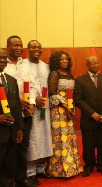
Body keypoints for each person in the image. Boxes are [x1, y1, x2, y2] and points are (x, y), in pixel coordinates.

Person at [5, 35, 37, 187]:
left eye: (20, 45)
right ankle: (7, 179)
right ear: (7, 47)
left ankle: (21, 177)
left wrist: (31, 102)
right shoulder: (2, 64)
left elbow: (32, 85)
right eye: (15, 45)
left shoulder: (25, 65)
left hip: (25, 112)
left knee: (23, 145)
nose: (19, 48)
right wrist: (18, 101)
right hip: (8, 112)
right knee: (9, 146)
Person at [74, 56, 102, 177]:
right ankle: (89, 166)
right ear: (87, 65)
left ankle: (101, 165)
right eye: (93, 63)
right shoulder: (80, 81)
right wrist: (92, 113)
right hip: (88, 119)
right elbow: (79, 100)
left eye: (97, 63)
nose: (96, 65)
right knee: (88, 145)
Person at [47, 51, 83, 178]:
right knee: (59, 136)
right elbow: (52, 93)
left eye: (66, 59)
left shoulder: (69, 74)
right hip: (58, 109)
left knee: (69, 136)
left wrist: (71, 107)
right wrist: (65, 106)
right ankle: (59, 169)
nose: (64, 61)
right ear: (57, 61)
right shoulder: (54, 74)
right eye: (61, 59)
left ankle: (72, 166)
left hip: (69, 108)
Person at [23, 40, 53, 185]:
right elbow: (24, 86)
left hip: (45, 107)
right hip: (30, 108)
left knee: (45, 137)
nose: (36, 49)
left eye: (39, 47)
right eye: (33, 47)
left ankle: (41, 168)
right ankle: (30, 171)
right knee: (33, 139)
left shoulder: (45, 66)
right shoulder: (23, 65)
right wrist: (34, 100)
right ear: (28, 49)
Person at [0, 49, 24, 187]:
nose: (2, 61)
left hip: (11, 131)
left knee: (9, 164)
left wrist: (19, 127)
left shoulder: (11, 80)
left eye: (4, 58)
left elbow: (16, 106)